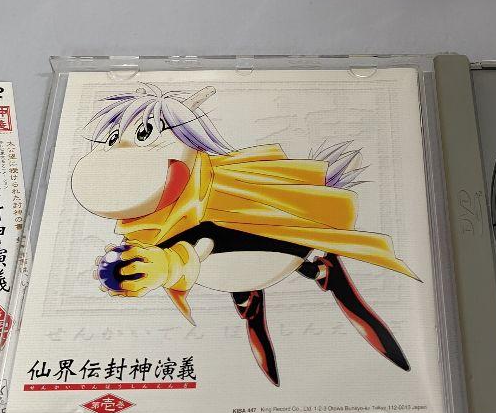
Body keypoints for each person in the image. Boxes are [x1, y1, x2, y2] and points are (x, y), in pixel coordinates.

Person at [71, 83, 416, 385]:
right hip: (232, 268)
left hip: (259, 249)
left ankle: (318, 271)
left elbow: (200, 245)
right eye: (113, 140)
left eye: (144, 134)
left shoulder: (206, 196)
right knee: (249, 307)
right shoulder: (150, 221)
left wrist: (164, 266)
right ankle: (290, 290)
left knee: (249, 272)